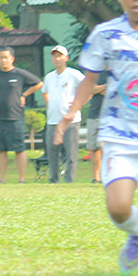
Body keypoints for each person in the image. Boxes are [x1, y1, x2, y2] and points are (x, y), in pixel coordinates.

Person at [56, 0, 138, 276]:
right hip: (120, 134)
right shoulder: (106, 35)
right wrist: (69, 113)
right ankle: (137, 233)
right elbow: (89, 81)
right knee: (118, 208)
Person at [0, 47, 43, 183]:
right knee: (1, 150)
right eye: (0, 57)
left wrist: (24, 94)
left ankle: (21, 179)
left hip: (16, 117)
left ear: (12, 59)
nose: (3, 60)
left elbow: (38, 83)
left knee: (19, 149)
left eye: (6, 57)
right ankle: (2, 179)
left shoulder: (20, 74)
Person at [42, 45, 85, 183]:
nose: (57, 59)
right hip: (53, 120)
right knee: (52, 152)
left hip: (70, 120)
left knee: (71, 152)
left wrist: (79, 104)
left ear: (66, 58)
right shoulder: (49, 77)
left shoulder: (74, 74)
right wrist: (49, 105)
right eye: (54, 56)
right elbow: (44, 91)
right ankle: (53, 179)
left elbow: (87, 89)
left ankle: (69, 180)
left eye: (60, 56)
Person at [85, 73, 107, 184]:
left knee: (106, 147)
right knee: (95, 147)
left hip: (111, 115)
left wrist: (98, 89)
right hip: (94, 114)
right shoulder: (96, 74)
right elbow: (89, 89)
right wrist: (105, 86)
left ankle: (106, 176)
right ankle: (96, 177)